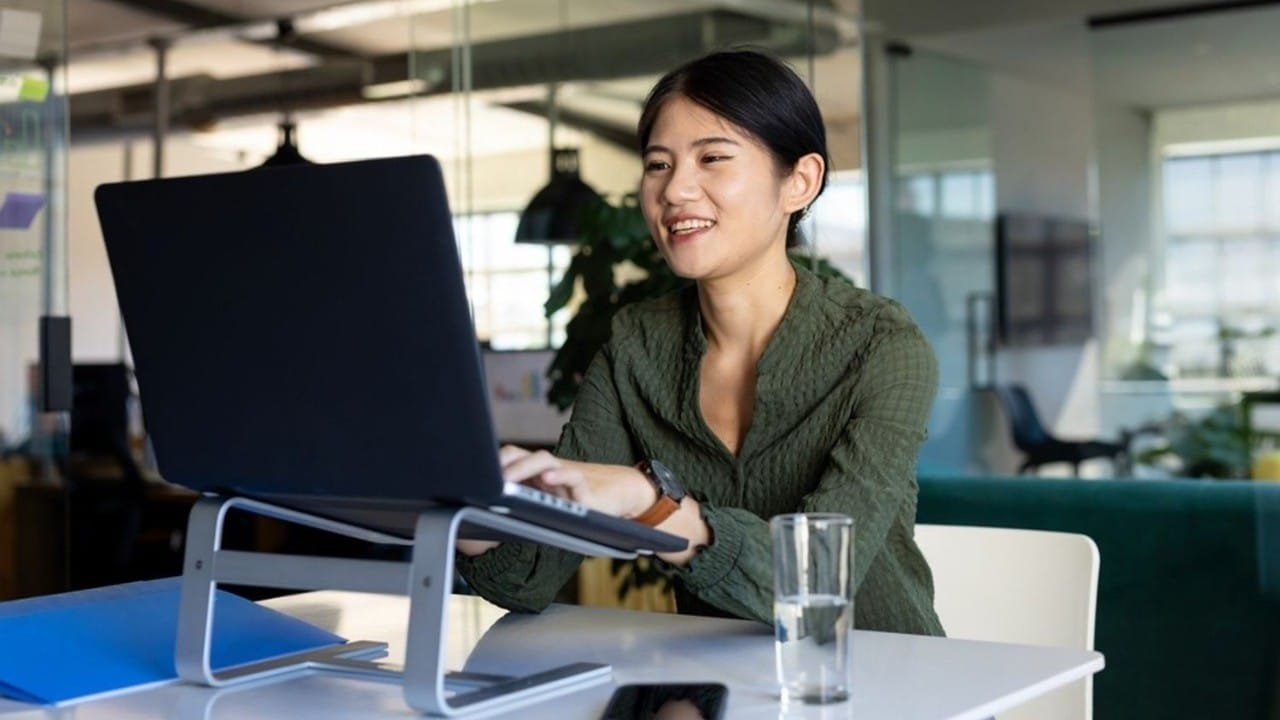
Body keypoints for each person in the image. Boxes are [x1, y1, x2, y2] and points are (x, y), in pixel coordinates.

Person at [457, 48, 943, 636]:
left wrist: (652, 502)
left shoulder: (881, 346)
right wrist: (479, 505)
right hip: (713, 687)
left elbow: (818, 584)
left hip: (887, 681)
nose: (676, 190)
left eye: (712, 158)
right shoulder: (636, 346)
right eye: (658, 165)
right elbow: (527, 577)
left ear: (799, 181)